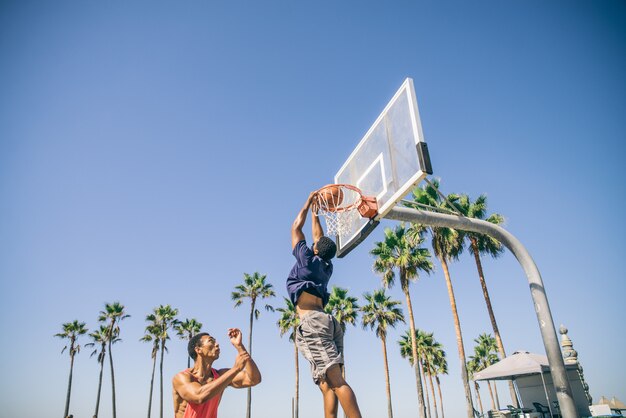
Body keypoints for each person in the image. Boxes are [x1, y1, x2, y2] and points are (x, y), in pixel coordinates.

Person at [286, 191, 362, 418]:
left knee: (336, 382)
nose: (313, 241)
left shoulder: (308, 261)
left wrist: (309, 202)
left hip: (313, 324)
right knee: (326, 383)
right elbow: (317, 235)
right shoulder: (326, 265)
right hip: (326, 322)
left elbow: (295, 229)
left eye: (315, 243)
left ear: (316, 249)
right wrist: (316, 213)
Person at [172, 328, 261, 418]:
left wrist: (239, 346)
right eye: (211, 341)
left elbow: (254, 379)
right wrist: (235, 369)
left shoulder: (220, 375)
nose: (217, 344)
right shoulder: (181, 377)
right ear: (198, 350)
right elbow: (199, 396)